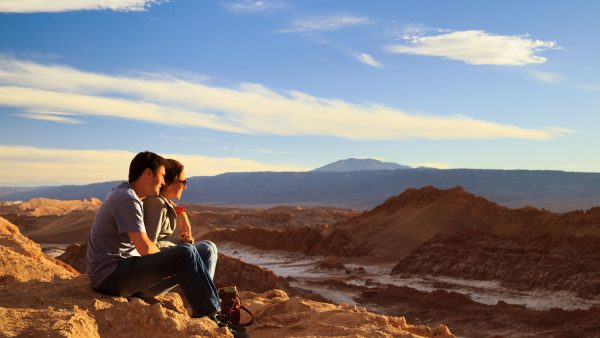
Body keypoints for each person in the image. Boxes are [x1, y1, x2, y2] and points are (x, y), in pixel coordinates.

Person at [86, 151, 229, 327]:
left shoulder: (127, 194)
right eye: (162, 176)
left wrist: (180, 213)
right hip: (110, 277)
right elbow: (145, 249)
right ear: (148, 173)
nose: (163, 182)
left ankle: (208, 310)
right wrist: (174, 252)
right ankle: (210, 316)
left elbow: (161, 204)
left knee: (198, 250)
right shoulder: (127, 200)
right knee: (185, 253)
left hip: (118, 271)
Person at [143, 158, 218, 279]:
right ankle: (206, 297)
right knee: (207, 249)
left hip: (156, 269)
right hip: (149, 276)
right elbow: (148, 246)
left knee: (209, 246)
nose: (185, 187)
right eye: (183, 182)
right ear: (170, 181)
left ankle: (206, 295)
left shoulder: (162, 203)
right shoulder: (156, 204)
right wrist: (178, 242)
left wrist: (181, 211)